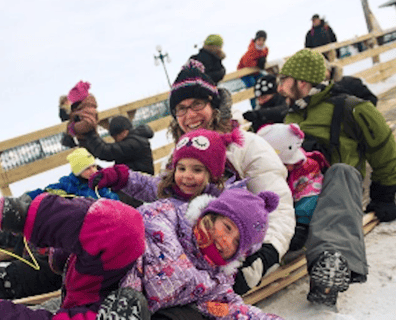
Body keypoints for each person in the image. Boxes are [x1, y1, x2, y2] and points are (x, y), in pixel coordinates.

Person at [0, 128, 283, 320]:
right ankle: (16, 222)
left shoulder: (215, 284)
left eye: (232, 238)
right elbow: (129, 202)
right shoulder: (168, 211)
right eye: (183, 168)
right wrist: (118, 176)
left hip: (116, 306)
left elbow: (238, 312)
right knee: (121, 219)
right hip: (103, 266)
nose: (220, 237)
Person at [87, 59, 295, 319]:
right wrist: (122, 178)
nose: (190, 115)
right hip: (172, 261)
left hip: (227, 263)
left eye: (198, 105)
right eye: (181, 109)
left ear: (214, 107)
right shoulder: (180, 155)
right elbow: (163, 194)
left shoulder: (247, 146)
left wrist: (264, 256)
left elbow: (279, 207)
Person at [277, 48, 396, 305]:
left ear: (302, 81)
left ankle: (329, 268)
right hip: (298, 198)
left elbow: (384, 148)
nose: (279, 87)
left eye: (284, 79)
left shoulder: (350, 108)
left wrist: (384, 192)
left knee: (341, 171)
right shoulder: (290, 118)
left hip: (337, 196)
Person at [0, 148, 120, 300]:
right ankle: (3, 250)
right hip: (82, 231)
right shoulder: (68, 184)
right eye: (87, 168)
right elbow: (51, 191)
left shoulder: (103, 188)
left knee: (61, 260)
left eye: (93, 166)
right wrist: (50, 194)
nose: (92, 170)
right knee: (36, 231)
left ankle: (7, 282)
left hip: (94, 237)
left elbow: (113, 206)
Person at [257, 123, 330, 251]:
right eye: (285, 164)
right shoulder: (265, 171)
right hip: (284, 208)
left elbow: (309, 195)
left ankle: (302, 227)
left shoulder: (307, 169)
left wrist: (300, 222)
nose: (289, 166)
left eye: (289, 163)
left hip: (303, 207)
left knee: (309, 198)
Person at [237, 30, 269, 109]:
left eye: (263, 40)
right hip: (245, 72)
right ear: (256, 40)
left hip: (255, 71)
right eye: (259, 40)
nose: (260, 42)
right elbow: (247, 63)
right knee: (252, 85)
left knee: (265, 80)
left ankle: (265, 103)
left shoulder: (265, 49)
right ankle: (255, 106)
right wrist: (258, 63)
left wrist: (262, 62)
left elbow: (264, 58)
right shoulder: (251, 50)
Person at [64, 80, 99, 146]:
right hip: (85, 142)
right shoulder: (80, 109)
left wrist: (74, 128)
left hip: (91, 142)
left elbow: (89, 123)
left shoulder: (87, 108)